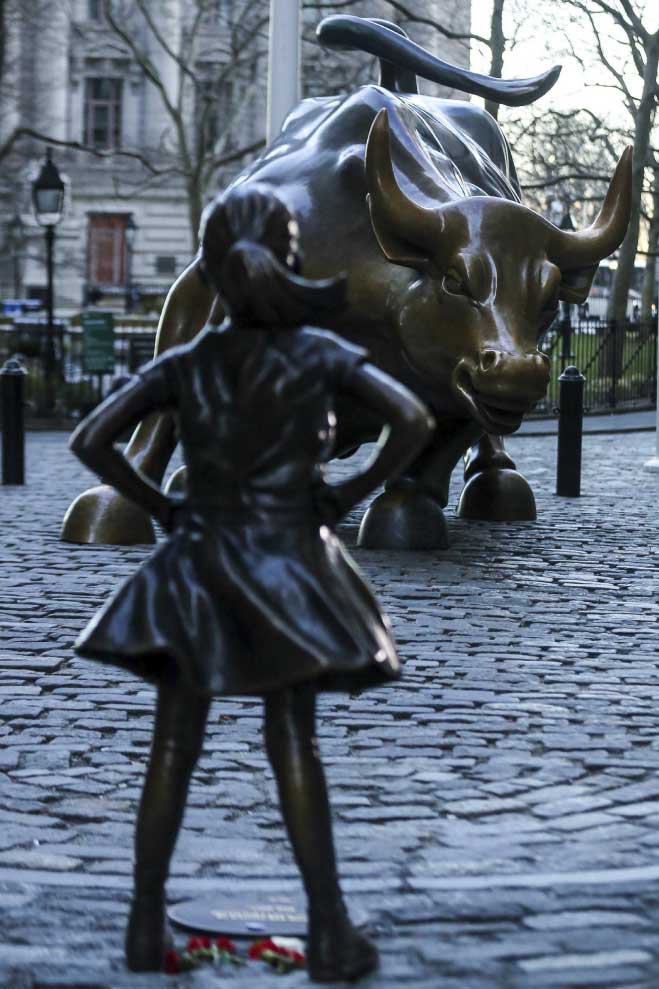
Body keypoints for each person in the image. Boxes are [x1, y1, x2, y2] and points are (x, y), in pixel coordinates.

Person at [70, 185, 435, 982]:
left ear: (212, 266)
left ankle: (142, 926)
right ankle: (330, 931)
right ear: (289, 255)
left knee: (172, 746)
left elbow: (93, 437)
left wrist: (158, 502)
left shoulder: (189, 360)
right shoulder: (318, 353)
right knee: (293, 741)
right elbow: (410, 418)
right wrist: (347, 492)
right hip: (289, 562)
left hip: (195, 562)